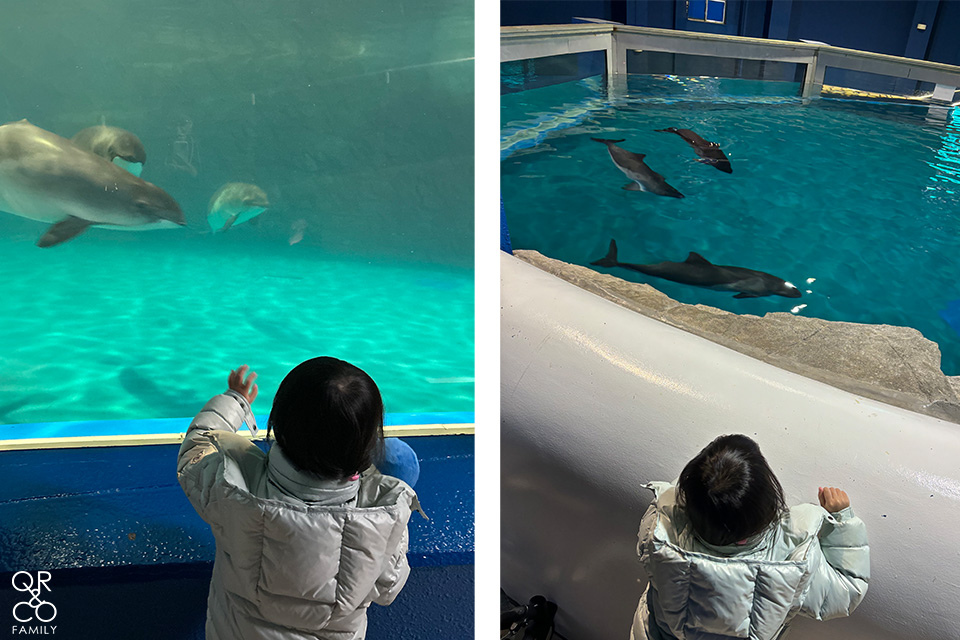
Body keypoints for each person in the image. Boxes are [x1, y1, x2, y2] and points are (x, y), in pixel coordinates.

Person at [177, 358, 423, 640]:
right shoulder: (381, 519)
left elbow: (198, 444)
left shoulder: (232, 490)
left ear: (277, 426)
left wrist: (236, 400)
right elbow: (389, 587)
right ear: (368, 443)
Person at [631, 434, 869, 640]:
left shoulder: (660, 532)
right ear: (768, 504)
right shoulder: (791, 559)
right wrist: (842, 521)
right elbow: (845, 590)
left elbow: (672, 503)